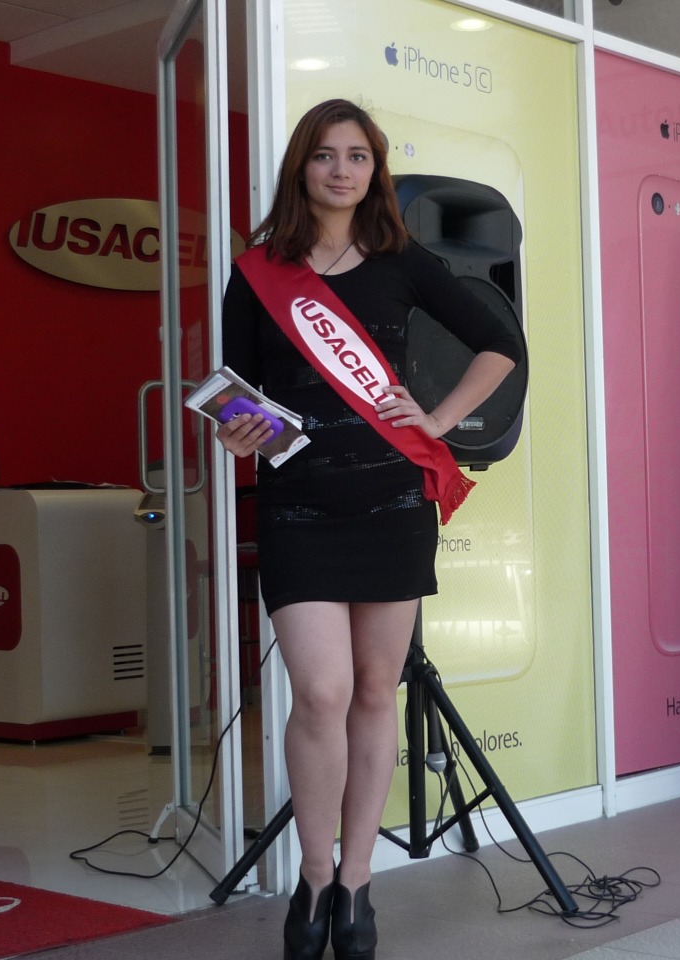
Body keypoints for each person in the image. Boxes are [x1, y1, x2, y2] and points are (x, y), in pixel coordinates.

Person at [215, 99, 520, 960]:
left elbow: (499, 341)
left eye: (357, 156)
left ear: (374, 170)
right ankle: (313, 878)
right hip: (297, 505)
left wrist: (438, 418)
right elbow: (235, 388)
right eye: (325, 155)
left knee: (376, 693)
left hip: (392, 503)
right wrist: (235, 429)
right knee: (320, 692)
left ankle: (357, 883)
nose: (341, 170)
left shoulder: (401, 261)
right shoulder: (257, 272)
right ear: (301, 168)